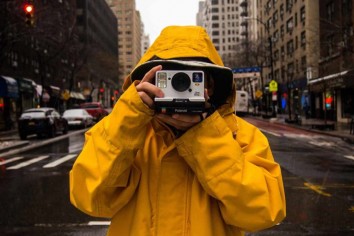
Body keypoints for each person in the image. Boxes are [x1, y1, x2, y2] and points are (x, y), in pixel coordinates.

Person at [69, 25, 286, 236]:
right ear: (151, 80)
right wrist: (130, 115)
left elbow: (264, 212)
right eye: (170, 79)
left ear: (211, 86)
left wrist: (206, 135)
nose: (182, 88)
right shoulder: (123, 128)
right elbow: (89, 196)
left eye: (195, 80)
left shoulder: (242, 135)